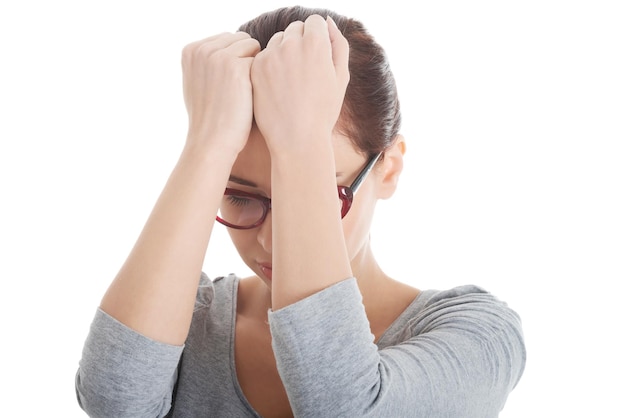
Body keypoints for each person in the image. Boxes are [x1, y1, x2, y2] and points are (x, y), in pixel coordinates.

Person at [75, 5, 525, 417]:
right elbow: (115, 403)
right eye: (240, 196)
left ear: (388, 170)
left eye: (316, 193)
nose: (270, 241)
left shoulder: (479, 334)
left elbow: (346, 408)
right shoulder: (186, 319)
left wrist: (301, 142)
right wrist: (206, 145)